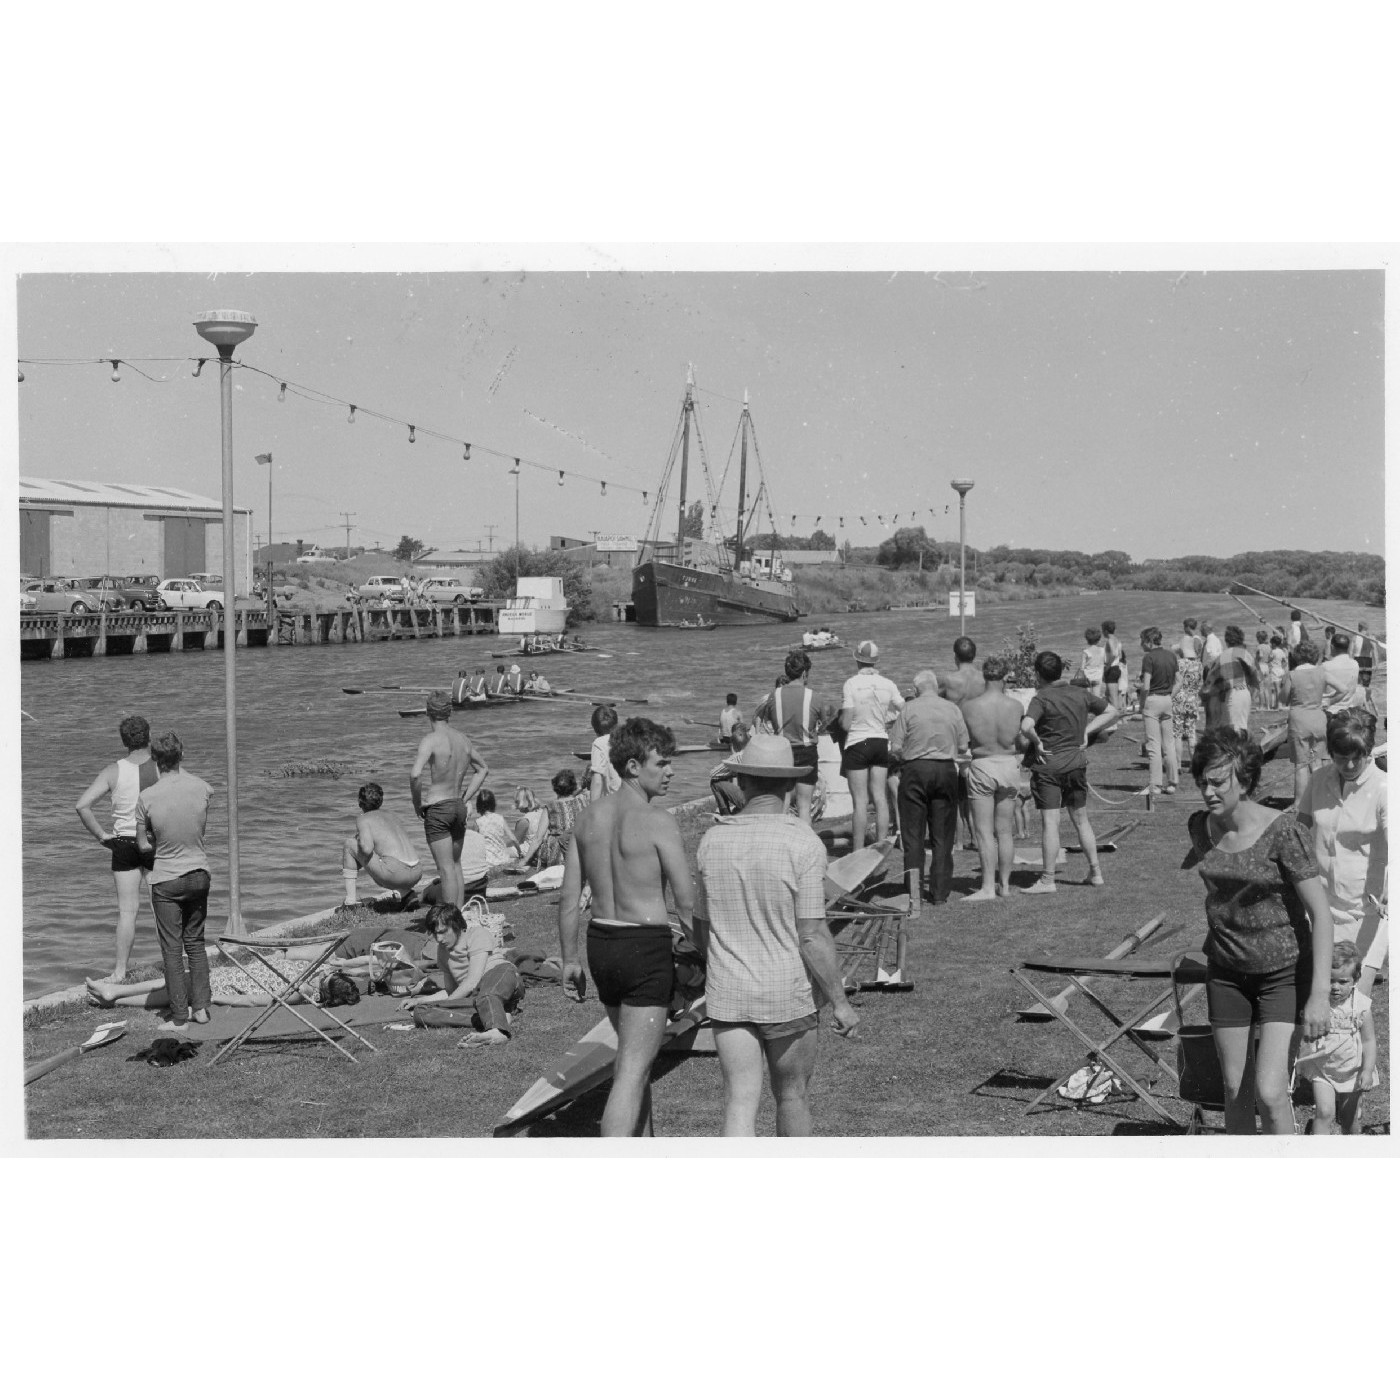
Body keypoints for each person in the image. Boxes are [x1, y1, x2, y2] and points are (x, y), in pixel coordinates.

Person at [693, 733, 860, 1136]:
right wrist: (840, 1002)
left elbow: (701, 927)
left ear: (743, 782)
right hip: (787, 994)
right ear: (789, 785)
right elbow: (811, 934)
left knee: (739, 1098)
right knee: (792, 1096)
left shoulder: (712, 840)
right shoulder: (801, 840)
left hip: (729, 993)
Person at [1183, 728, 1333, 1135]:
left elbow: (1321, 914)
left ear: (1245, 780)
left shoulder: (1283, 831)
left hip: (1282, 974)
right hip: (1227, 973)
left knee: (1269, 1093)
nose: (1208, 791)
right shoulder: (1201, 827)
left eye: (1218, 782)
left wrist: (1319, 996)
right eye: (1202, 782)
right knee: (1235, 1089)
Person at [559, 717, 695, 1137]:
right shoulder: (658, 821)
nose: (670, 771)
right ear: (634, 766)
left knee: (636, 1059)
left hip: (602, 943)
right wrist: (710, 954)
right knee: (632, 1072)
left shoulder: (587, 820)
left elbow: (568, 899)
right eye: (663, 762)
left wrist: (569, 960)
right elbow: (687, 905)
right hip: (645, 948)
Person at [1297, 709, 1388, 986]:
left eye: (1356, 758)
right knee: (1322, 993)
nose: (1348, 766)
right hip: (1321, 910)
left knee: (1354, 1000)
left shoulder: (1385, 789)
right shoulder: (1318, 780)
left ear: (1369, 750)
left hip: (1366, 913)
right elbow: (1299, 831)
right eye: (1341, 758)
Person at [1019, 650, 1117, 892]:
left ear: (1038, 674)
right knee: (1081, 820)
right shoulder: (1079, 692)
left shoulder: (1041, 698)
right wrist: (1087, 730)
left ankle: (1048, 879)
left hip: (1048, 768)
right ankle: (1096, 873)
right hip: (1075, 764)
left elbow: (1026, 725)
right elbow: (1112, 711)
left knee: (1050, 823)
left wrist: (1038, 742)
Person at [135, 732, 213, 1029]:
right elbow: (196, 828)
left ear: (155, 760)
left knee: (171, 948)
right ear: (182, 755)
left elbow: (143, 845)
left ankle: (180, 1017)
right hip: (199, 874)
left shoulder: (146, 797)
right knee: (196, 944)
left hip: (167, 878)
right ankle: (202, 1009)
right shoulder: (203, 788)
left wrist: (154, 839)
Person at [74, 714, 158, 981]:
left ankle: (120, 971)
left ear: (124, 741)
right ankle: (174, 963)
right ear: (148, 736)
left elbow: (82, 805)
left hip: (123, 843)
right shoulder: (159, 767)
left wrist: (101, 836)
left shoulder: (113, 771)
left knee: (127, 912)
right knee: (163, 909)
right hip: (155, 842)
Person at [888, 669, 970, 914]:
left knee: (913, 835)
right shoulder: (952, 709)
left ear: (915, 690)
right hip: (945, 769)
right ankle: (940, 892)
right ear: (937, 687)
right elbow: (964, 745)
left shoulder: (909, 710)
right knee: (942, 835)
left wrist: (906, 756)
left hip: (915, 770)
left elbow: (895, 747)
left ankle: (914, 893)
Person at [410, 690, 489, 910]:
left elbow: (415, 774)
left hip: (438, 808)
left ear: (428, 712)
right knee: (455, 866)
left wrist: (417, 803)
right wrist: (465, 797)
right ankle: (459, 917)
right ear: (450, 712)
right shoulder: (463, 739)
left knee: (445, 869)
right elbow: (483, 769)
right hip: (457, 806)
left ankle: (447, 920)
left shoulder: (430, 740)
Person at [402, 903, 522, 1048]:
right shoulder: (442, 952)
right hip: (477, 997)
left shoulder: (476, 934)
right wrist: (420, 1001)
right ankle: (501, 1015)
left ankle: (497, 1032)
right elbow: (451, 991)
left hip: (501, 974)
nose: (439, 939)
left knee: (486, 992)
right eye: (435, 934)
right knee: (421, 1013)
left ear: (456, 925)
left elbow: (472, 982)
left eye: (443, 932)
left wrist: (446, 1006)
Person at [1292, 940, 1379, 1134]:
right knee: (1324, 1112)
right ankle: (1319, 1154)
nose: (1335, 987)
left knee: (1349, 1117)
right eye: (1330, 980)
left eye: (1342, 981)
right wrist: (1298, 1064)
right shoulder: (1317, 1004)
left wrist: (1367, 1070)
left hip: (1352, 1069)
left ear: (1355, 980)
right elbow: (1304, 1036)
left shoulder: (1361, 1006)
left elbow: (1369, 1041)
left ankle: (1350, 1151)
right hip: (1322, 1068)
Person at [960, 657, 1026, 901]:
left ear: (983, 677)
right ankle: (1005, 885)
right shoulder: (1016, 706)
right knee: (1005, 831)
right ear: (1006, 676)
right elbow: (1021, 740)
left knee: (984, 832)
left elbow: (963, 741)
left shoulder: (969, 707)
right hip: (1009, 765)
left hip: (984, 764)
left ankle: (988, 887)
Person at [838, 640, 904, 851]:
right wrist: (889, 719)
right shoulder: (888, 683)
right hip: (880, 741)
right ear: (876, 661)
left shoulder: (850, 684)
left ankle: (857, 850)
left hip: (858, 742)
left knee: (860, 801)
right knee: (879, 798)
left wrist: (840, 721)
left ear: (856, 659)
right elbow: (905, 709)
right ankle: (881, 845)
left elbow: (846, 724)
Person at [341, 782, 422, 908]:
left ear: (359, 802)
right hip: (416, 872)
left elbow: (367, 850)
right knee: (385, 857)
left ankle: (349, 903)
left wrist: (359, 841)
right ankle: (406, 894)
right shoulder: (392, 815)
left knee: (349, 844)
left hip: (396, 874)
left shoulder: (363, 819)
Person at [768, 650, 823, 824]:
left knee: (782, 804)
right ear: (805, 673)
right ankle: (805, 843)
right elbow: (824, 722)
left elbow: (768, 719)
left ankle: (779, 842)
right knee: (804, 805)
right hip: (806, 751)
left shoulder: (773, 696)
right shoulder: (813, 697)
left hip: (783, 753)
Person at [1280, 639, 1328, 806]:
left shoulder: (1293, 675)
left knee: (1301, 764)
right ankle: (1322, 798)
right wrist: (1328, 700)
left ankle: (1299, 802)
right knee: (1317, 761)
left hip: (1299, 720)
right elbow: (1343, 688)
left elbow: (1283, 698)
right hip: (1319, 718)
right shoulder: (1322, 672)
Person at [1136, 626, 1181, 795]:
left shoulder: (1149, 658)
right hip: (1167, 700)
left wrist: (1141, 703)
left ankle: (1155, 785)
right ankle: (1172, 782)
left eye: (1142, 641)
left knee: (1153, 745)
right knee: (1169, 743)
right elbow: (1179, 681)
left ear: (1149, 641)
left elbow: (1146, 685)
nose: (1141, 645)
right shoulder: (1171, 655)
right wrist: (1170, 695)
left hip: (1153, 700)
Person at [1203, 624, 1258, 734]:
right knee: (1242, 727)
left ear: (1227, 640)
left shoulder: (1223, 656)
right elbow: (1256, 677)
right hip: (1245, 693)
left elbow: (1210, 681)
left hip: (1233, 694)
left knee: (1233, 730)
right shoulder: (1246, 654)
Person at [536, 768, 591, 869]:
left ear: (555, 788)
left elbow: (538, 838)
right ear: (573, 786)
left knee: (547, 840)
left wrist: (524, 860)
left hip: (557, 853)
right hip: (579, 847)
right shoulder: (582, 801)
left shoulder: (550, 806)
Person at [1172, 619, 1205, 756]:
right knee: (1192, 733)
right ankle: (1193, 763)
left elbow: (1176, 682)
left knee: (1178, 734)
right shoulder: (1199, 665)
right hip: (1193, 700)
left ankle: (1178, 764)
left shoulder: (1179, 663)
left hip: (1179, 700)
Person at [709, 722, 750, 816]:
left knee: (715, 782)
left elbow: (713, 773)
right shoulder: (756, 751)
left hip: (750, 801)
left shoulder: (738, 757)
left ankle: (726, 814)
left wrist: (732, 771)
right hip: (765, 800)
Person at [472, 788, 519, 868]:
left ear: (478, 805)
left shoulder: (478, 822)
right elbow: (513, 839)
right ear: (493, 804)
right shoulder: (500, 818)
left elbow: (474, 844)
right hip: (503, 859)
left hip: (488, 862)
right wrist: (520, 853)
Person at [1320, 630, 1360, 715]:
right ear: (1348, 647)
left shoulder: (1325, 666)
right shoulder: (1355, 664)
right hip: (1348, 709)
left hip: (1329, 710)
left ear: (1332, 647)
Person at [937, 636, 986, 705]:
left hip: (957, 715)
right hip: (977, 715)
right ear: (974, 656)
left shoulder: (948, 680)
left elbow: (933, 698)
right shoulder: (984, 679)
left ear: (956, 657)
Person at [588, 704, 623, 800]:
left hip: (617, 801)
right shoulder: (627, 738)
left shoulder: (599, 743)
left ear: (595, 728)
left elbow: (597, 781)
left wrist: (593, 810)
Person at [512, 787, 550, 867]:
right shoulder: (543, 812)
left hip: (529, 849)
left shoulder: (524, 820)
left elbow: (515, 841)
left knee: (503, 851)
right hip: (543, 847)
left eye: (516, 801)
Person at [1101, 620, 1127, 711]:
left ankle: (1115, 718)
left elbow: (1113, 654)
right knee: (1111, 694)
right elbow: (1119, 655)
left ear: (1106, 631)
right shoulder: (1117, 640)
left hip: (1111, 668)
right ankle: (1113, 716)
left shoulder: (1110, 641)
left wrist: (1107, 666)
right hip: (1117, 668)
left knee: (1112, 697)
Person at [1079, 626, 1106, 697]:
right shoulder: (1103, 650)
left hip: (1087, 678)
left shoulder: (1086, 652)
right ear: (1098, 639)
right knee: (1096, 698)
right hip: (1098, 677)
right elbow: (1105, 663)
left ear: (1087, 639)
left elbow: (1082, 668)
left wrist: (1081, 678)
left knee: (1088, 698)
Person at [1253, 629, 1274, 709]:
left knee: (1261, 688)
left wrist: (1256, 659)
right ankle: (1268, 706)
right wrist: (1268, 661)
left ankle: (1261, 706)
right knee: (1266, 688)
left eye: (1257, 638)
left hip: (1260, 666)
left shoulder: (1259, 647)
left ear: (1259, 639)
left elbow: (1260, 655)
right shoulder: (1268, 647)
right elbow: (1272, 657)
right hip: (1266, 666)